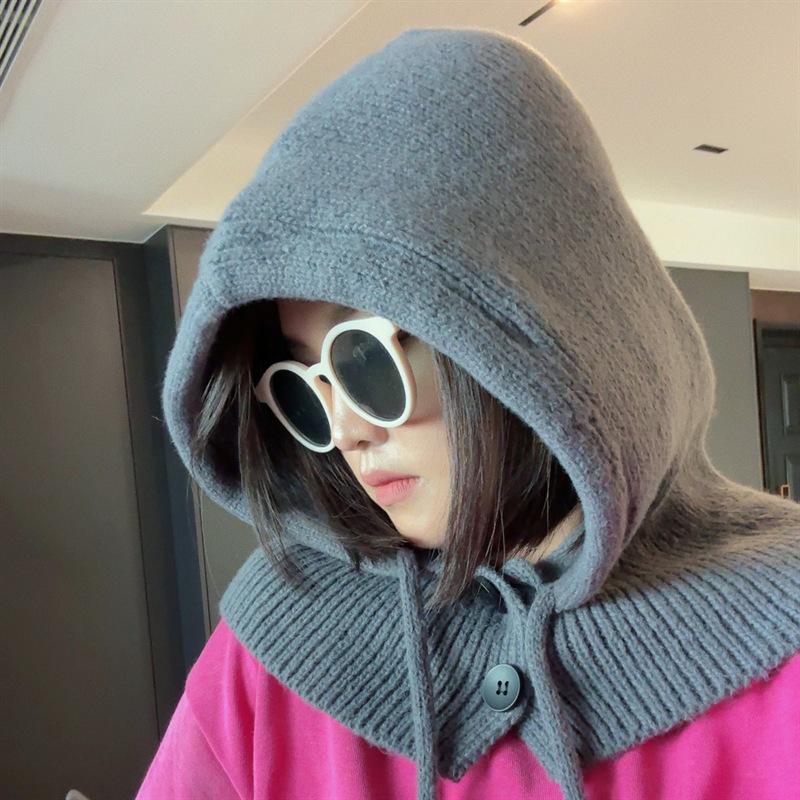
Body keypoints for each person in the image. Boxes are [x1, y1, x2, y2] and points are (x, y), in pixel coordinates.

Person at [134, 26, 800, 800]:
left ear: (541, 337)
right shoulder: (271, 641)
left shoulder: (779, 621)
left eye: (363, 358)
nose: (344, 432)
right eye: (303, 384)